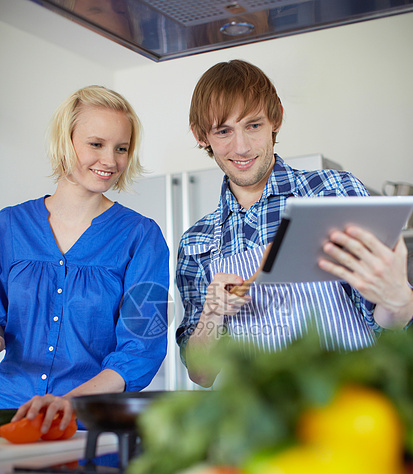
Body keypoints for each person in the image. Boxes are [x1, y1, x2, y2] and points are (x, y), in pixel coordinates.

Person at [176, 59, 413, 387]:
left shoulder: (332, 192)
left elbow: (390, 323)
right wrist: (212, 314)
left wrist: (400, 299)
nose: (241, 146)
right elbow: (201, 374)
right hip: (263, 426)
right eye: (223, 130)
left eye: (253, 125)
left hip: (352, 408)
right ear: (202, 136)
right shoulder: (198, 241)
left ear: (276, 119)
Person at [0, 85, 169, 433]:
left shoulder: (142, 237)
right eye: (96, 144)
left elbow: (141, 351)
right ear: (65, 141)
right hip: (8, 419)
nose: (110, 161)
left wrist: (70, 402)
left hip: (91, 428)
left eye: (121, 149)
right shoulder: (8, 226)